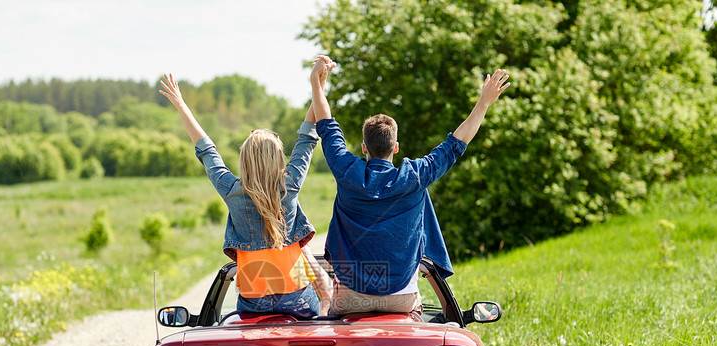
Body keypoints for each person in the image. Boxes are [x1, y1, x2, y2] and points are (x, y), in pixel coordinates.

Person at [309, 56, 510, 316]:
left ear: (363, 148)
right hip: (401, 297)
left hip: (351, 297)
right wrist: (484, 102)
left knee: (329, 313)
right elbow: (456, 144)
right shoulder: (414, 176)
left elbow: (327, 126)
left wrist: (317, 83)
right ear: (395, 148)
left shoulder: (346, 170)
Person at [160, 71, 333, 317]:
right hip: (296, 297)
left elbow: (206, 150)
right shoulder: (290, 184)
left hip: (253, 301)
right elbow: (307, 137)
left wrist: (181, 105)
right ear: (277, 158)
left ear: (245, 159)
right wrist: (318, 85)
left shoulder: (232, 191)